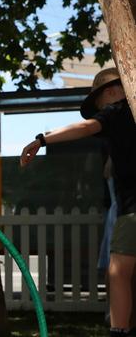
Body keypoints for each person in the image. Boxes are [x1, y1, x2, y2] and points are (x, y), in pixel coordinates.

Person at [20, 67, 136, 337]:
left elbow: (86, 127)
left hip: (132, 211)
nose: (100, 111)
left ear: (112, 91)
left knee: (119, 273)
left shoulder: (118, 109)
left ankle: (119, 330)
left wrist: (42, 139)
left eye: (100, 105)